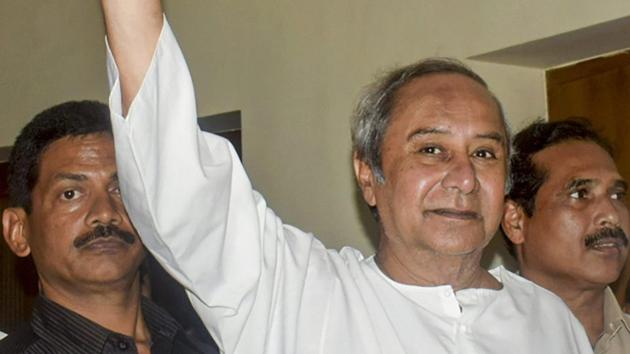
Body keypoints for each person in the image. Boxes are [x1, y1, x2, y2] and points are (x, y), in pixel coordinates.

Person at [102, 0, 592, 352]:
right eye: (431, 149)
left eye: (485, 153)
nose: (463, 178)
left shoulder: (548, 320)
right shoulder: (292, 295)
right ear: (367, 173)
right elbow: (176, 173)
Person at [0, 100, 212, 353]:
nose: (104, 213)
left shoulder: (211, 344)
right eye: (70, 194)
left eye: (121, 189)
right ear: (18, 231)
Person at [502, 118, 630, 353]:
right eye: (581, 194)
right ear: (516, 222)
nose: (611, 215)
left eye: (617, 195)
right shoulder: (478, 341)